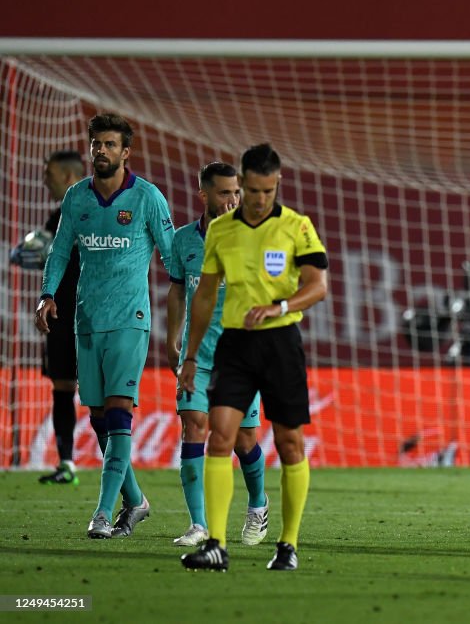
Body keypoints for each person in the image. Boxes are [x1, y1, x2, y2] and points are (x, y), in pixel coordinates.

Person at [178, 143, 328, 572]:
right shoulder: (222, 232)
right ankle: (215, 543)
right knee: (220, 437)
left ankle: (288, 544)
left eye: (268, 190)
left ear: (277, 183)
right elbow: (205, 294)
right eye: (253, 191)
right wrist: (190, 356)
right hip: (236, 345)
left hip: (281, 341)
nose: (260, 199)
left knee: (289, 442)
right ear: (240, 185)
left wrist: (280, 306)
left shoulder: (297, 227)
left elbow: (318, 286)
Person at [35, 113, 175, 538]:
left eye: (110, 144)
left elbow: (172, 260)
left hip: (130, 322)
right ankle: (136, 500)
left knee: (118, 412)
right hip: (86, 320)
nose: (101, 151)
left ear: (125, 152)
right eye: (96, 144)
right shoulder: (76, 198)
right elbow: (59, 252)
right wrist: (47, 294)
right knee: (99, 418)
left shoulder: (148, 198)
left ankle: (102, 513)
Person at [166, 162, 269, 547]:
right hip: (197, 356)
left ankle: (258, 504)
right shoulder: (182, 241)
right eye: (225, 192)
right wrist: (171, 337)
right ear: (204, 195)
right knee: (194, 425)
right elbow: (177, 290)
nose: (233, 200)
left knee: (243, 441)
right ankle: (199, 524)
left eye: (237, 192)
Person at [32, 151, 85, 485]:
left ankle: (120, 465)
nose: (43, 179)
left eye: (48, 173)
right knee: (63, 385)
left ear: (68, 176)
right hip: (60, 313)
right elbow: (49, 258)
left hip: (98, 314)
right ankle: (67, 463)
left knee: (107, 395)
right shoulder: (56, 218)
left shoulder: (97, 213)